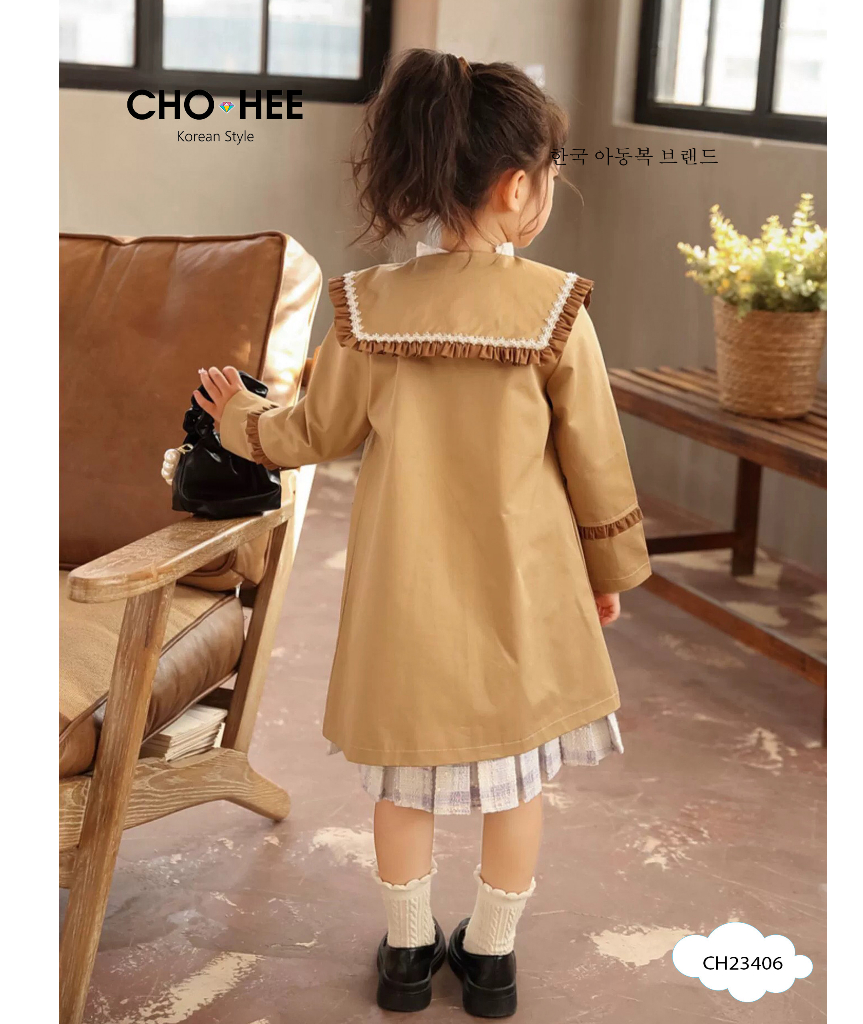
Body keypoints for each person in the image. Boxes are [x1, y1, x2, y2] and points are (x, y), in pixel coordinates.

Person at [195, 48, 651, 1019]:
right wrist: (605, 571)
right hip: (521, 607)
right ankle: (491, 960)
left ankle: (406, 956)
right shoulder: (557, 310)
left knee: (402, 786)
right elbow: (597, 465)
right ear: (518, 187)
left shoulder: (371, 307)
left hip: (404, 611)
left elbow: (309, 433)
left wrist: (237, 414)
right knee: (514, 787)